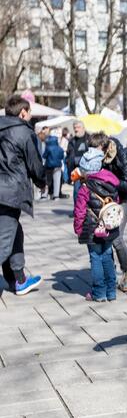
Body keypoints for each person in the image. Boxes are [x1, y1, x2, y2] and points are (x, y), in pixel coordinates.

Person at [0, 95, 45, 295]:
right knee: (4, 240)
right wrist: (42, 182)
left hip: (4, 191)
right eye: (29, 113)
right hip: (9, 193)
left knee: (15, 232)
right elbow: (34, 164)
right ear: (23, 112)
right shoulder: (24, 133)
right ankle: (17, 280)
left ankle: (18, 280)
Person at [73, 133, 121, 302]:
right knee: (107, 255)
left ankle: (99, 293)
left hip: (91, 228)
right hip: (109, 226)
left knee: (95, 258)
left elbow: (79, 211)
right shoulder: (112, 182)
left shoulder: (85, 188)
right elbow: (116, 203)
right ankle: (111, 291)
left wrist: (78, 228)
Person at [102, 137, 127, 292]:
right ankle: (109, 275)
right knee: (104, 235)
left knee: (116, 237)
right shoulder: (99, 155)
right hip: (107, 198)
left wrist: (111, 181)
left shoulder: (122, 155)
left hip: (125, 197)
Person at [67, 121, 89, 208]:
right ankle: (77, 210)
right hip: (77, 170)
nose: (76, 129)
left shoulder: (89, 139)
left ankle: (87, 211)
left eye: (78, 127)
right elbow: (69, 156)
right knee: (77, 191)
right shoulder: (72, 141)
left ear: (83, 128)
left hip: (88, 169)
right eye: (75, 127)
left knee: (88, 191)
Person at [42, 133, 65, 200]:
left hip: (49, 166)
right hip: (58, 166)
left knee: (47, 181)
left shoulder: (48, 148)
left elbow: (44, 156)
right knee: (57, 181)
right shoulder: (60, 149)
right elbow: (62, 157)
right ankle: (56, 196)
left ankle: (44, 195)